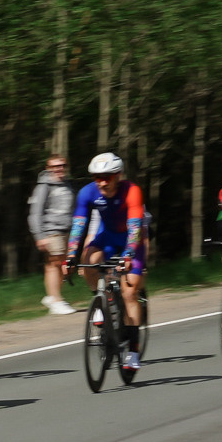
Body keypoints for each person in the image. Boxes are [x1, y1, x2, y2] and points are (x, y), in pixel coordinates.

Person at [65, 152, 148, 372]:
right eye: (97, 177)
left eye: (107, 177)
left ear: (118, 175)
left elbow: (135, 227)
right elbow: (78, 225)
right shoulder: (87, 193)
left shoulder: (132, 191)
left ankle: (132, 350)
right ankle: (100, 300)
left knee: (129, 291)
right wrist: (71, 255)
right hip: (108, 235)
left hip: (132, 238)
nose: (102, 182)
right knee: (89, 261)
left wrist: (129, 254)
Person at [27, 153, 77, 314]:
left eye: (62, 165)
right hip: (51, 230)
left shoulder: (68, 185)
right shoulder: (43, 187)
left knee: (63, 265)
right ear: (48, 169)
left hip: (66, 229)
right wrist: (39, 235)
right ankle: (56, 300)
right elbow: (35, 212)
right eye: (55, 166)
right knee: (54, 264)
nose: (59, 169)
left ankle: (52, 296)